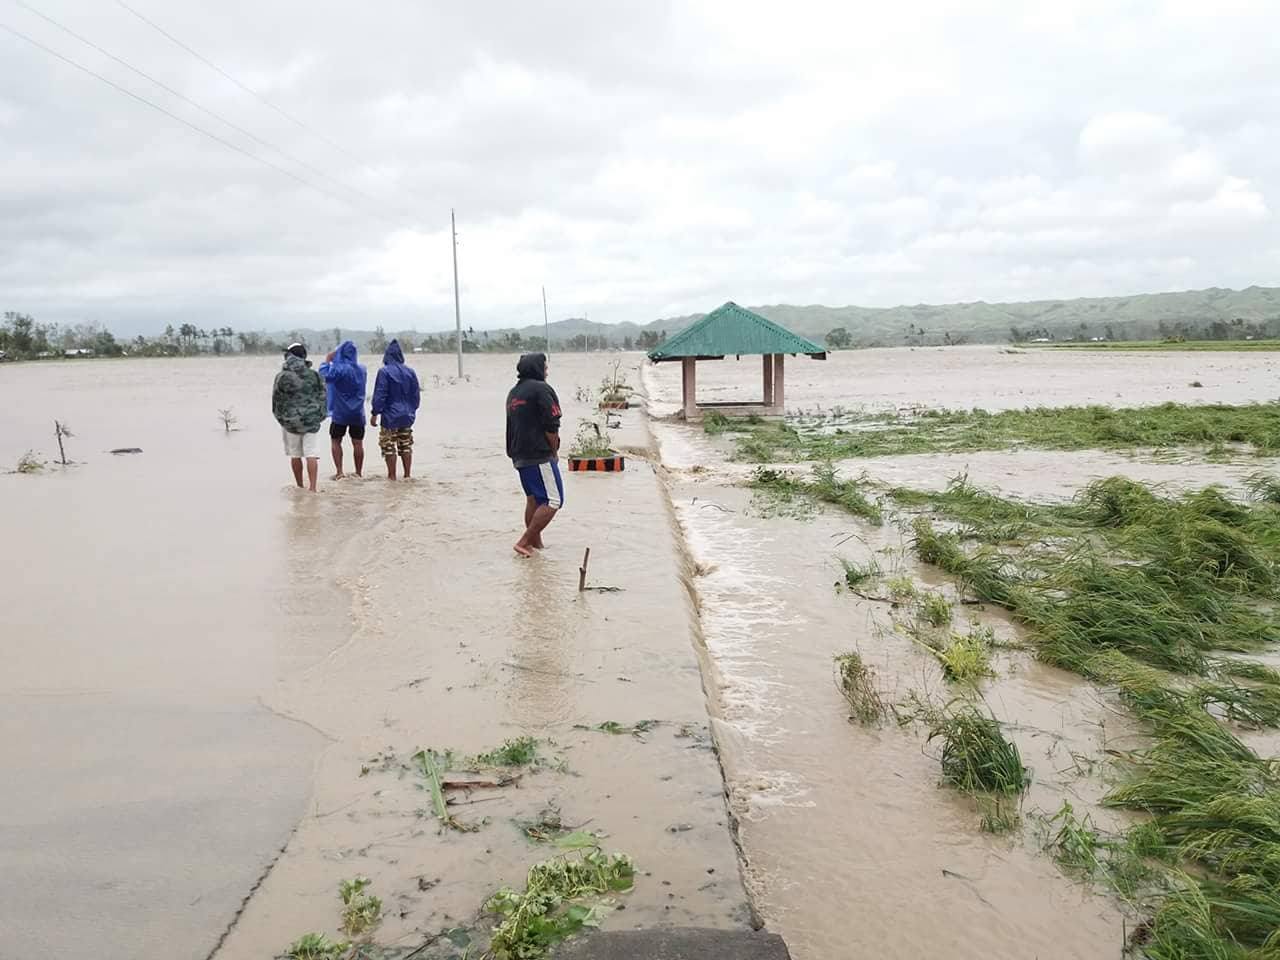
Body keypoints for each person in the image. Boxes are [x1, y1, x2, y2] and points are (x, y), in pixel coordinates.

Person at [505, 352, 563, 557]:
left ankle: (534, 543)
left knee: (533, 499)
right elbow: (551, 426)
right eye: (545, 367)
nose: (547, 371)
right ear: (539, 369)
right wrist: (554, 452)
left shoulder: (514, 392)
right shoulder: (542, 389)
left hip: (519, 455)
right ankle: (524, 541)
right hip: (539, 454)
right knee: (554, 500)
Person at [272, 342, 326, 492]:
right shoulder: (314, 375)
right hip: (311, 420)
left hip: (290, 422)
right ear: (304, 356)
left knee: (295, 455)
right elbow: (323, 396)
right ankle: (313, 488)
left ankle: (300, 486)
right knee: (312, 454)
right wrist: (319, 416)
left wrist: (282, 419)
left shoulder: (281, 376)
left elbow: (276, 401)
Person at [370, 339, 421, 480]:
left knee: (388, 445)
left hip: (389, 416)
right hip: (407, 415)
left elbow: (380, 394)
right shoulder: (410, 372)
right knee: (405, 444)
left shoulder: (384, 372)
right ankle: (407, 475)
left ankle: (392, 476)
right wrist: (412, 410)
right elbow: (416, 395)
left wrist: (375, 413)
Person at [318, 340, 368, 479]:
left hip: (340, 413)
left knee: (335, 441)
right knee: (358, 443)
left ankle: (340, 472)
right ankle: (358, 473)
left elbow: (323, 375)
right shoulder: (362, 369)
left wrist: (328, 360)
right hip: (358, 413)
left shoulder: (339, 370)